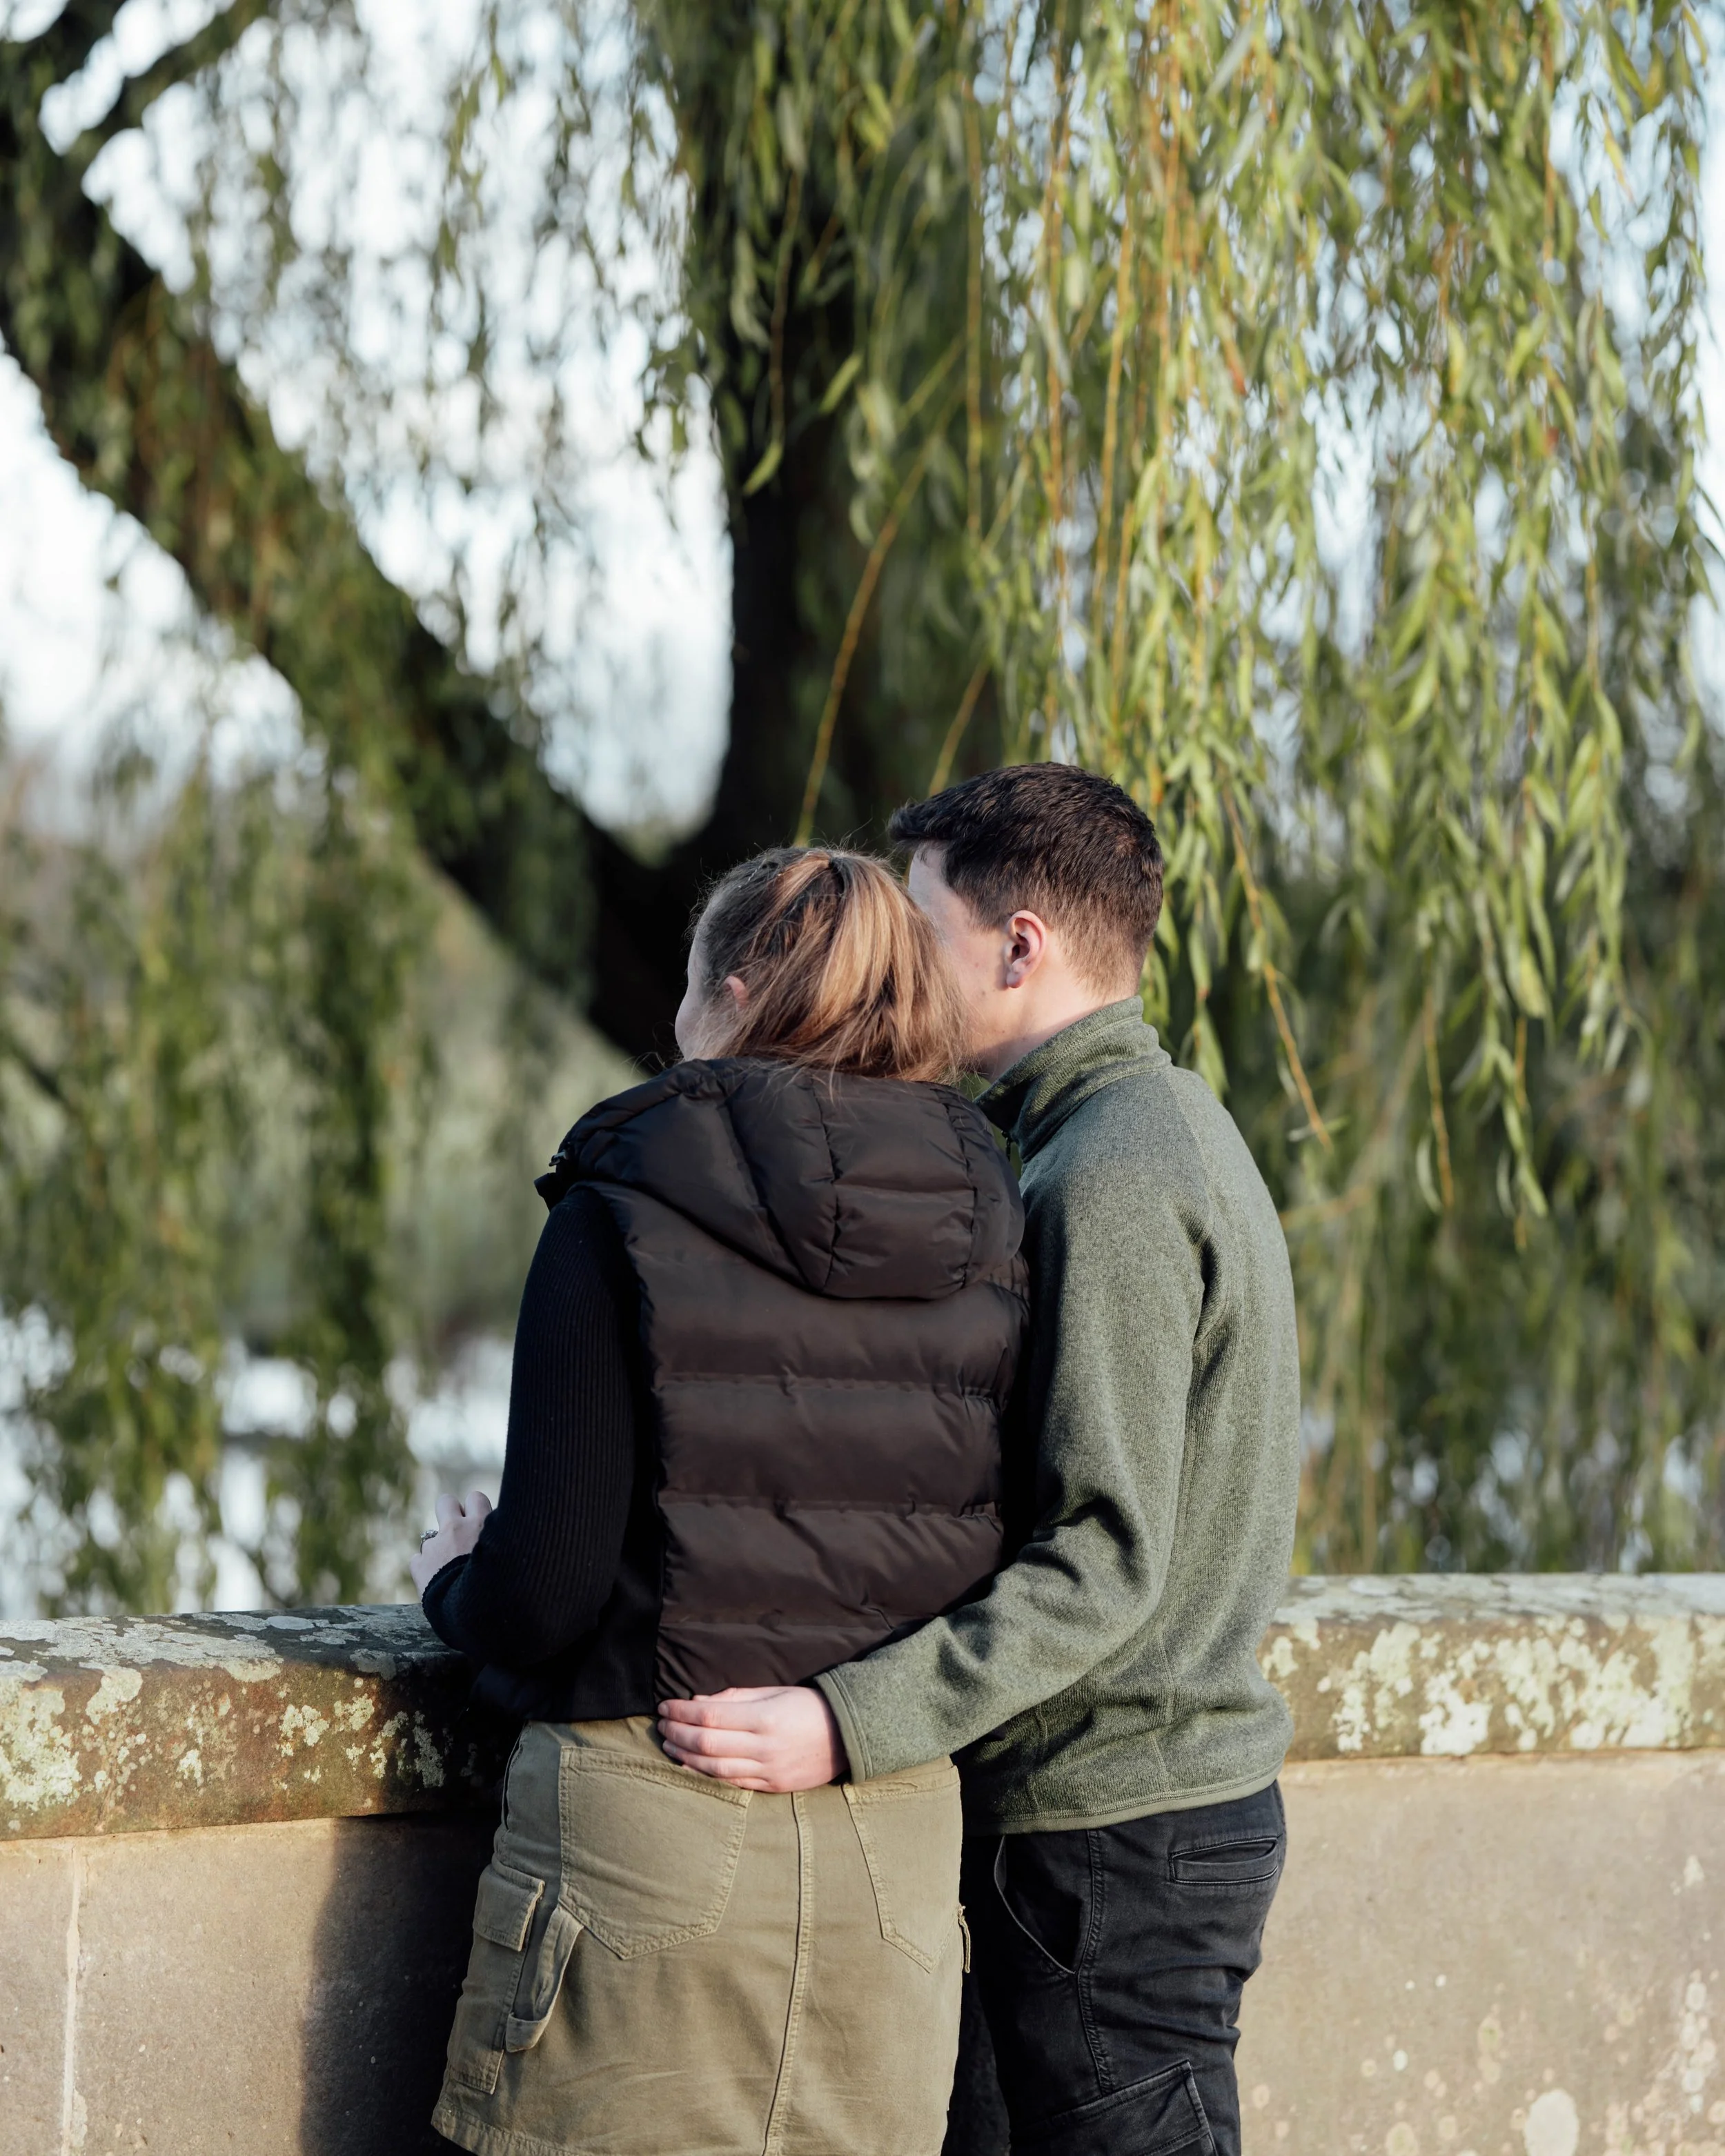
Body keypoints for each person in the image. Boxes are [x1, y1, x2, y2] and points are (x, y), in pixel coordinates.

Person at [659, 767, 1301, 2156]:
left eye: (921, 922)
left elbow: (1101, 1560)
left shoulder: (1112, 1173)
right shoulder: (1141, 1125)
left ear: (1018, 946)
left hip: (1111, 1839)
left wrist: (845, 1719)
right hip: (1117, 1825)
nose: (891, 958)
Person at [412, 846, 1028, 2156]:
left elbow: (547, 1587)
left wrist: (453, 1578)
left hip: (656, 1818)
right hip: (895, 1851)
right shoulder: (999, 1224)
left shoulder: (623, 1202)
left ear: (737, 996)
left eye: (689, 998)